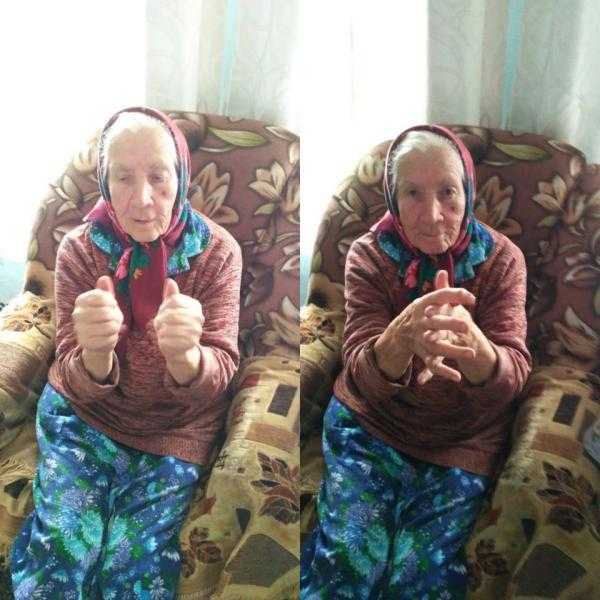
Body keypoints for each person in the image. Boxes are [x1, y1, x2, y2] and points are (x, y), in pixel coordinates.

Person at [10, 107, 242, 599]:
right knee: (63, 551)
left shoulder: (218, 252)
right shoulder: (80, 249)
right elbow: (71, 369)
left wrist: (186, 358)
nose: (143, 200)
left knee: (133, 567)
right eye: (123, 178)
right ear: (103, 181)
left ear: (181, 177)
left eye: (159, 177)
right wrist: (96, 353)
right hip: (84, 420)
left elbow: (221, 368)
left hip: (173, 432)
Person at [301, 125, 532, 599]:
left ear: (467, 191)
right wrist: (403, 337)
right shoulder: (368, 254)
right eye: (413, 194)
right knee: (347, 562)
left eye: (448, 192)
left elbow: (511, 380)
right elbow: (361, 374)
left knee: (419, 575)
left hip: (461, 441)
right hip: (370, 428)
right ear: (392, 196)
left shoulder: (503, 261)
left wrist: (473, 346)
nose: (432, 215)